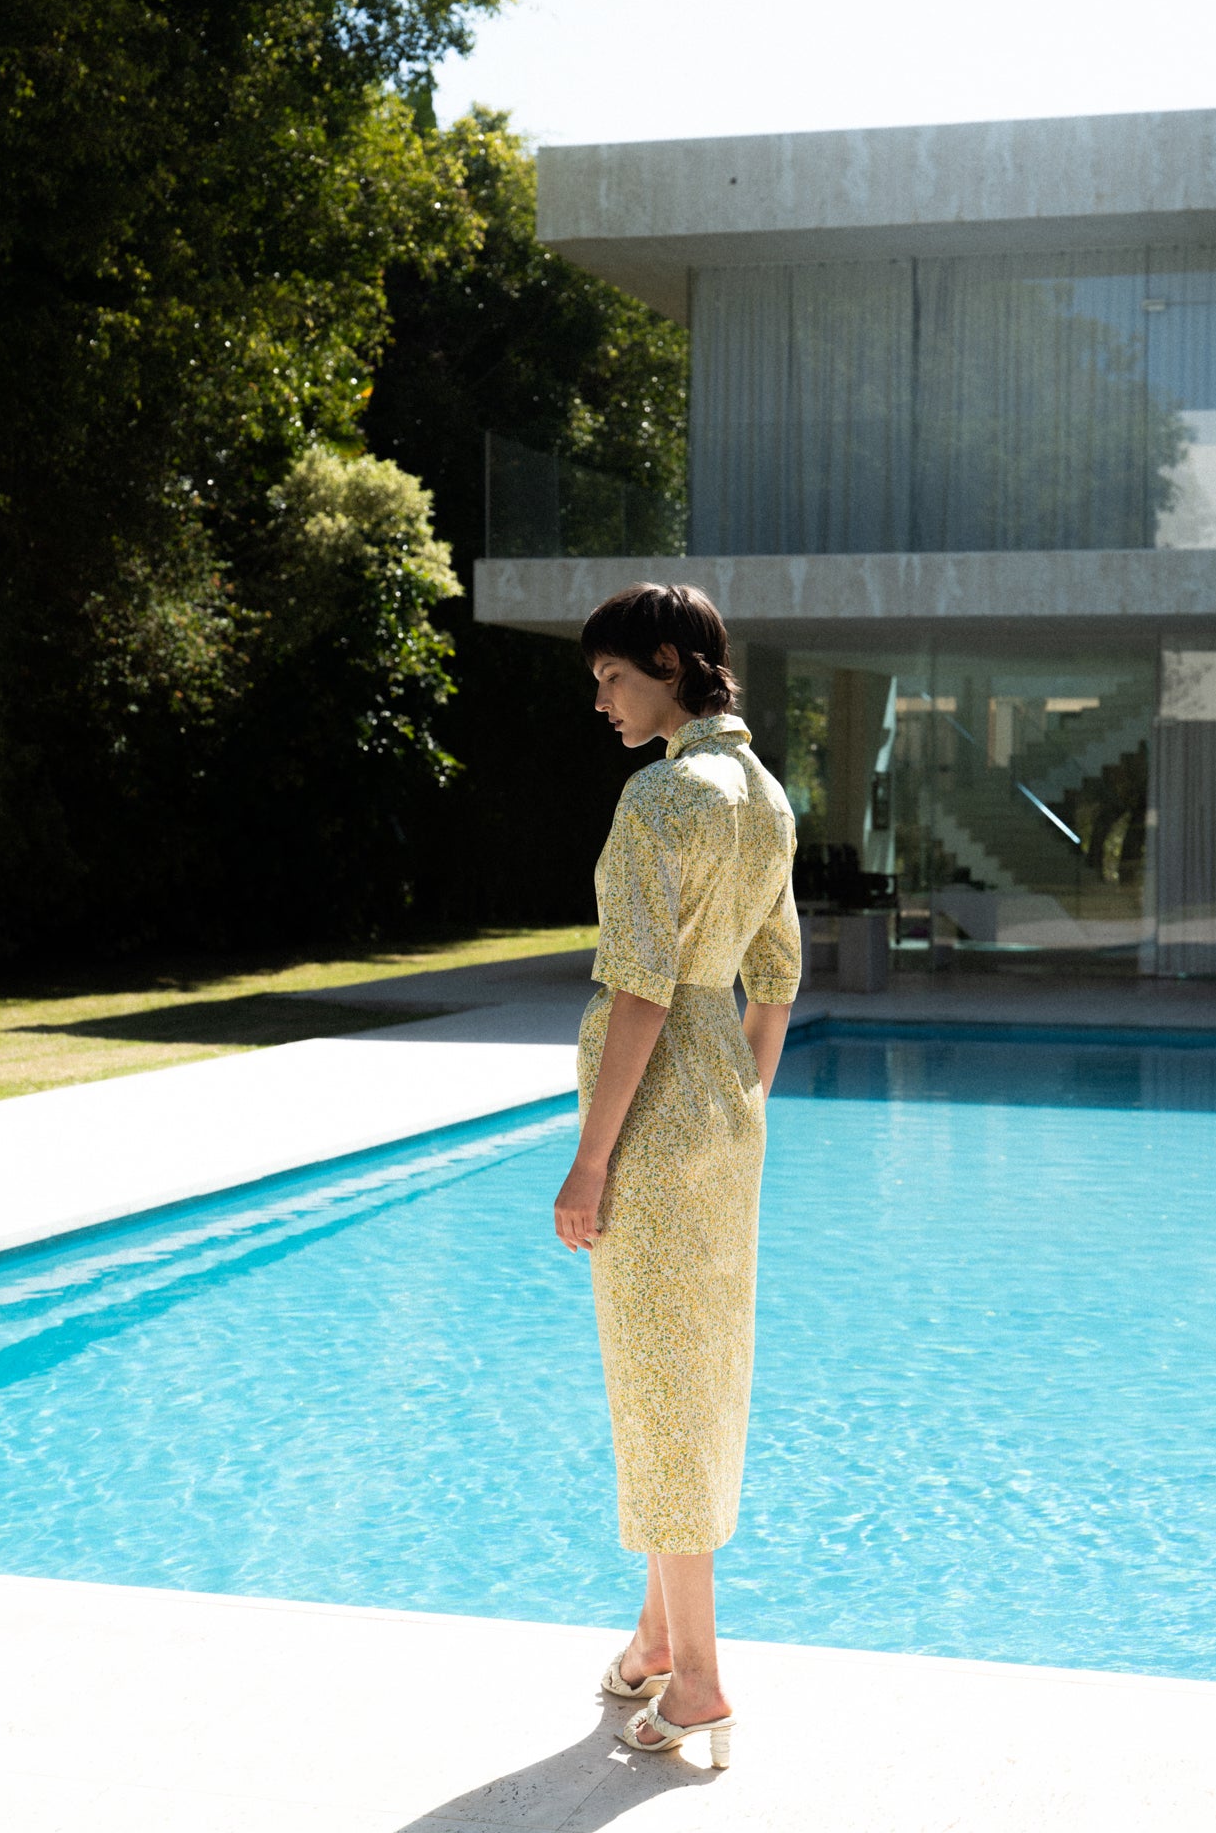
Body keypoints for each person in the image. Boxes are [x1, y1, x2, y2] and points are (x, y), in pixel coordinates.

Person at [554, 581, 801, 1770]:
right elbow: (778, 977)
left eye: (612, 676)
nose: (601, 699)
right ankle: (657, 1636)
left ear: (666, 661)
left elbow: (640, 989)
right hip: (724, 1107)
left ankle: (697, 1679)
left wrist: (591, 1157)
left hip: (654, 1114)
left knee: (657, 1384)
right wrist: (738, 1102)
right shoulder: (764, 795)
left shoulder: (660, 796)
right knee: (693, 1370)